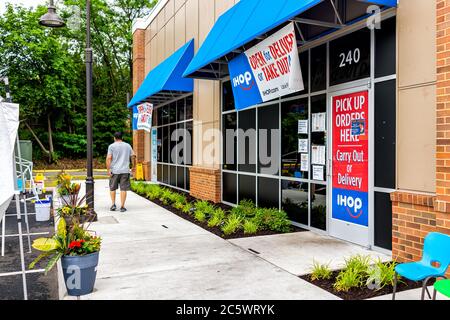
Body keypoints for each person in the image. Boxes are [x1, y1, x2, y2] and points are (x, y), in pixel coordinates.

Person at [106, 132, 136, 212]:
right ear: (122, 137)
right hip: (125, 171)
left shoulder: (111, 146)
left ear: (114, 138)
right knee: (123, 189)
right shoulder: (128, 145)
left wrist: (108, 169)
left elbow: (109, 158)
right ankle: (122, 207)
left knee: (112, 188)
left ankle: (113, 204)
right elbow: (133, 156)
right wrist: (134, 166)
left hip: (114, 171)